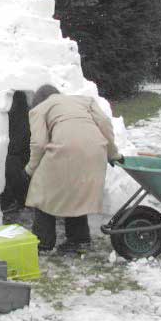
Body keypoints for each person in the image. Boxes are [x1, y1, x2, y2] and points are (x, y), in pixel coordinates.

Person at [25, 84, 123, 254]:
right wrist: (113, 154)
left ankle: (43, 243)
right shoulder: (84, 101)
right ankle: (79, 240)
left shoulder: (39, 109)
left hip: (65, 150)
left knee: (41, 193)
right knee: (76, 191)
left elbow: (39, 143)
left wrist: (30, 169)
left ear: (38, 101)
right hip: (95, 151)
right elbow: (105, 124)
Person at [0, 91, 31, 213]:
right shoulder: (9, 117)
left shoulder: (24, 118)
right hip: (15, 155)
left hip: (21, 158)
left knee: (10, 164)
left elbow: (17, 145)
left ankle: (17, 199)